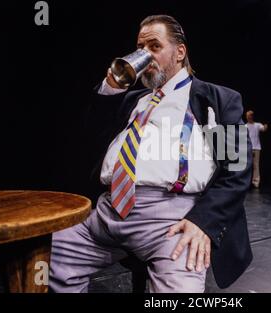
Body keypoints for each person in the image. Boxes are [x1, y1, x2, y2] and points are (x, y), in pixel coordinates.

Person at [49, 15, 253, 293]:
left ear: (180, 52)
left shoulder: (215, 99)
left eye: (154, 46)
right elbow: (89, 133)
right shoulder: (133, 100)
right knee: (47, 257)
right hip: (108, 211)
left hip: (171, 221)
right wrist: (110, 88)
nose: (145, 55)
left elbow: (237, 170)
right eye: (139, 48)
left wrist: (203, 222)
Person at [245, 110, 268, 188]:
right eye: (247, 116)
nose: (248, 117)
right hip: (248, 148)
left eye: (250, 115)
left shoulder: (257, 125)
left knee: (256, 165)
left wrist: (265, 126)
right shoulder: (245, 126)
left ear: (252, 116)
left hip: (256, 148)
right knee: (247, 165)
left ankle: (256, 181)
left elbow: (263, 129)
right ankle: (246, 181)